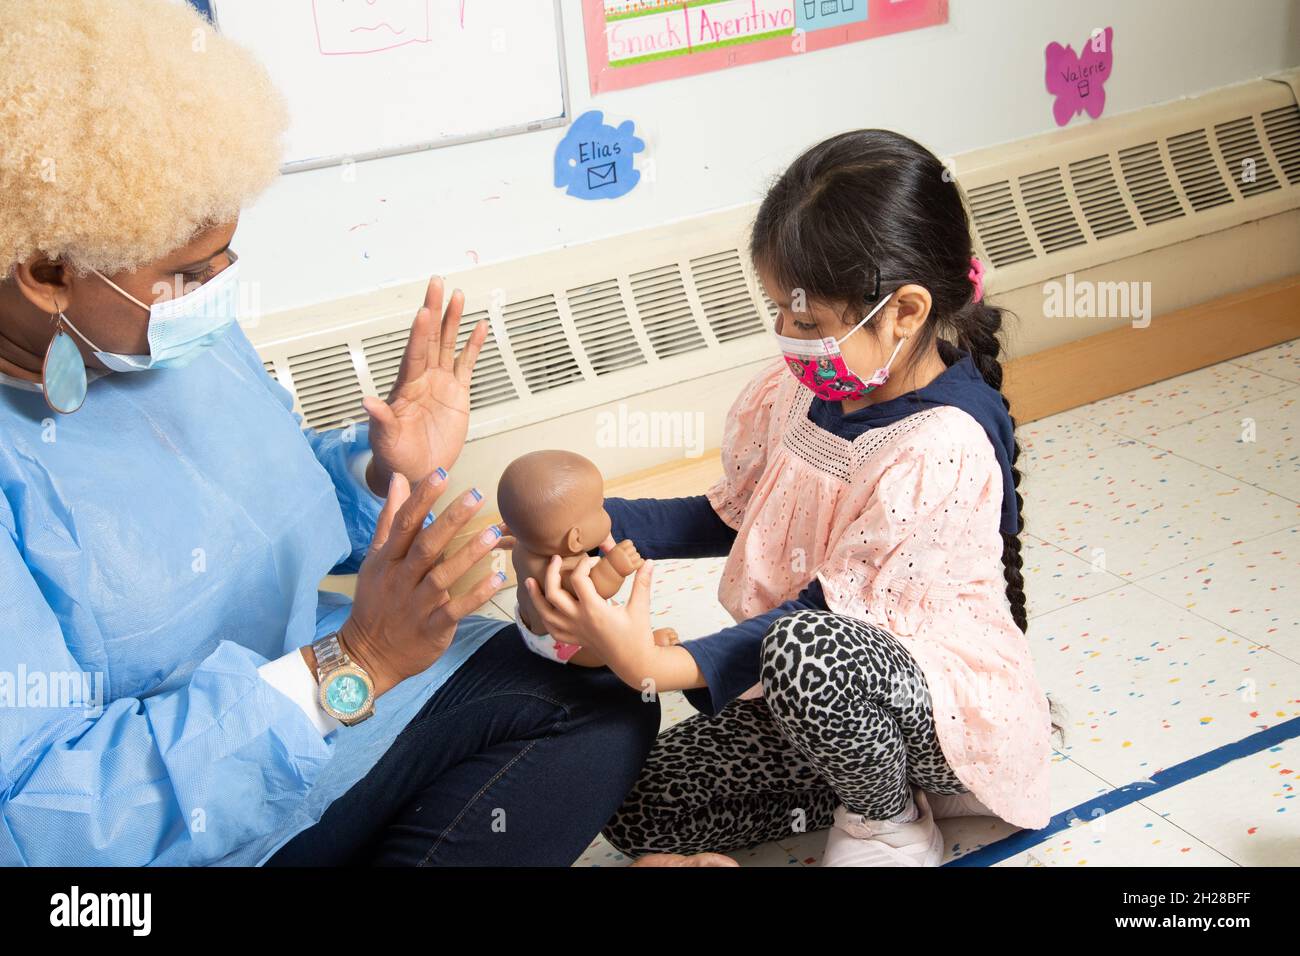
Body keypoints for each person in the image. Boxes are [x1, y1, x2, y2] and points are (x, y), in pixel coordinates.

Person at [0, 0, 660, 867]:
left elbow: (255, 507)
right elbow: (41, 824)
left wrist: (378, 470)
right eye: (190, 271)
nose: (220, 289)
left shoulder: (156, 334)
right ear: (47, 269)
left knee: (610, 693)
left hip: (317, 716)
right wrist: (349, 665)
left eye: (225, 256)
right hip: (168, 830)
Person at [527, 130, 1053, 867]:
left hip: (926, 703)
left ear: (904, 311)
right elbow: (736, 512)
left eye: (807, 323)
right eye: (778, 311)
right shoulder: (805, 391)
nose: (786, 337)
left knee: (804, 649)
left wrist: (658, 663)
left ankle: (892, 817)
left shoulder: (941, 447)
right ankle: (847, 770)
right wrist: (595, 522)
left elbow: (823, 620)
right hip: (806, 691)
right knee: (637, 809)